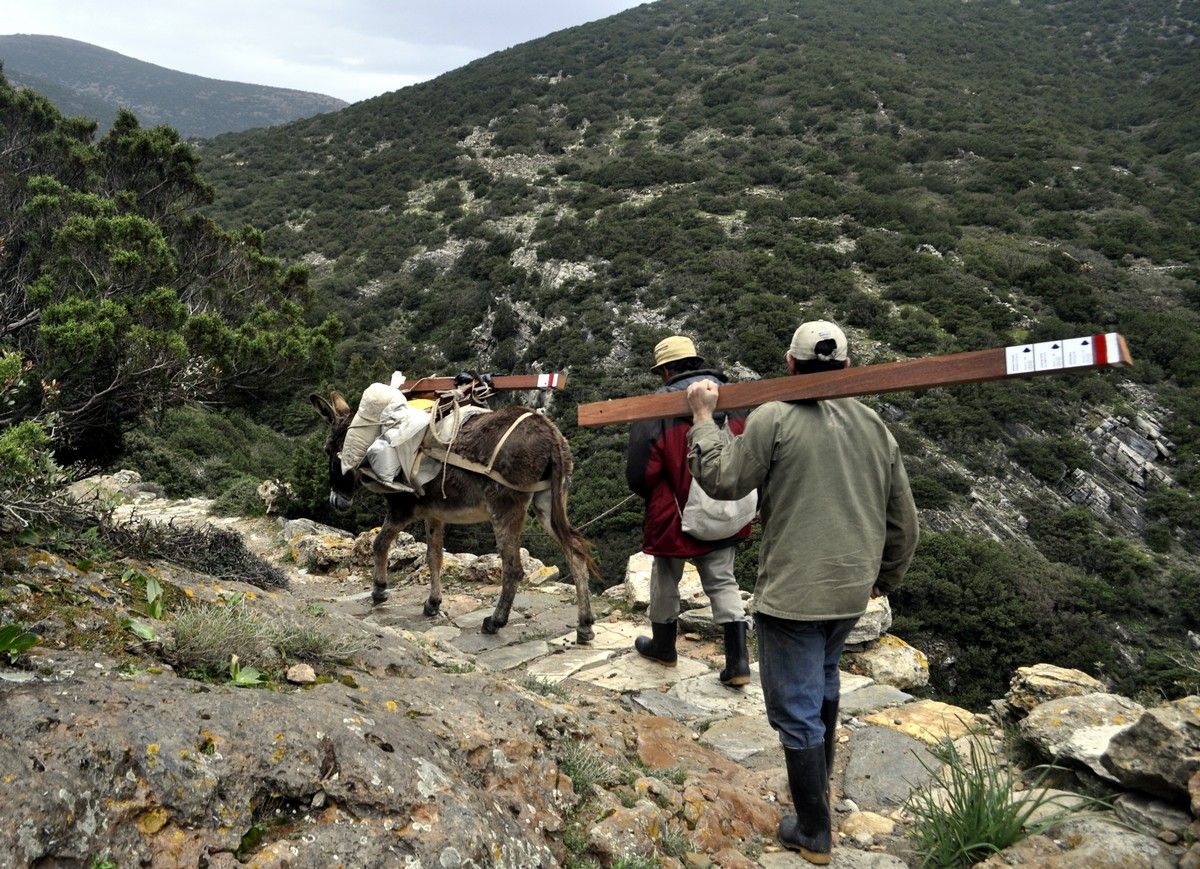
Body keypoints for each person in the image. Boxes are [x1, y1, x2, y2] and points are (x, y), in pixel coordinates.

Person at [685, 320, 919, 865]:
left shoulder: (773, 417)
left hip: (794, 594)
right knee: (823, 682)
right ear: (845, 369)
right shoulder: (872, 424)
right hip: (849, 592)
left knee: (794, 708)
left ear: (790, 367)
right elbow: (903, 521)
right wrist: (885, 577)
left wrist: (703, 420)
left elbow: (723, 480)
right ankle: (823, 802)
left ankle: (813, 830)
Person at [626, 335, 754, 688]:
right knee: (722, 578)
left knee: (666, 577)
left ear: (665, 370)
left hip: (675, 511)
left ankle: (664, 646)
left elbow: (643, 471)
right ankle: (738, 660)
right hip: (726, 505)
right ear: (696, 362)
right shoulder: (732, 397)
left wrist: (655, 494)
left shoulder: (659, 406)